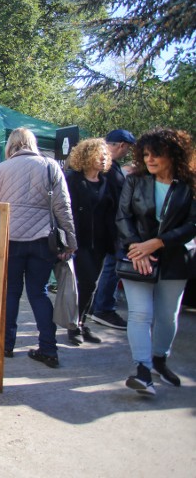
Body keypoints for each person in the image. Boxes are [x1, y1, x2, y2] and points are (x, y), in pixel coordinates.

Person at [0, 128, 77, 369]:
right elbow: (63, 207)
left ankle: (5, 344)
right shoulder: (50, 167)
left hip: (9, 239)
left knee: (11, 292)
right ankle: (48, 348)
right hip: (42, 240)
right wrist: (71, 241)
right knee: (39, 292)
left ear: (11, 145)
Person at [116, 128, 195, 395]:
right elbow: (123, 216)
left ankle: (160, 359)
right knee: (139, 314)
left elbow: (192, 224)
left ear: (173, 155)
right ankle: (143, 370)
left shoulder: (189, 183)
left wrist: (158, 242)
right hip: (136, 256)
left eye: (156, 154)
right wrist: (138, 248)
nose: (149, 159)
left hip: (174, 257)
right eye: (146, 154)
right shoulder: (135, 180)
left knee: (166, 316)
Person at [65, 138, 117, 346]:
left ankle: (81, 322)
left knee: (91, 285)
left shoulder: (107, 182)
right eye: (99, 154)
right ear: (86, 156)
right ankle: (74, 325)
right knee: (82, 284)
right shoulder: (73, 179)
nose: (103, 158)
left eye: (106, 155)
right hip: (79, 240)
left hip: (101, 242)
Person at [89, 129, 137, 330]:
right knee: (112, 266)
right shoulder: (106, 165)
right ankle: (103, 308)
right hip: (109, 226)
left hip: (105, 225)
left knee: (106, 266)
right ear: (121, 146)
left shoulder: (106, 164)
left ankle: (97, 306)